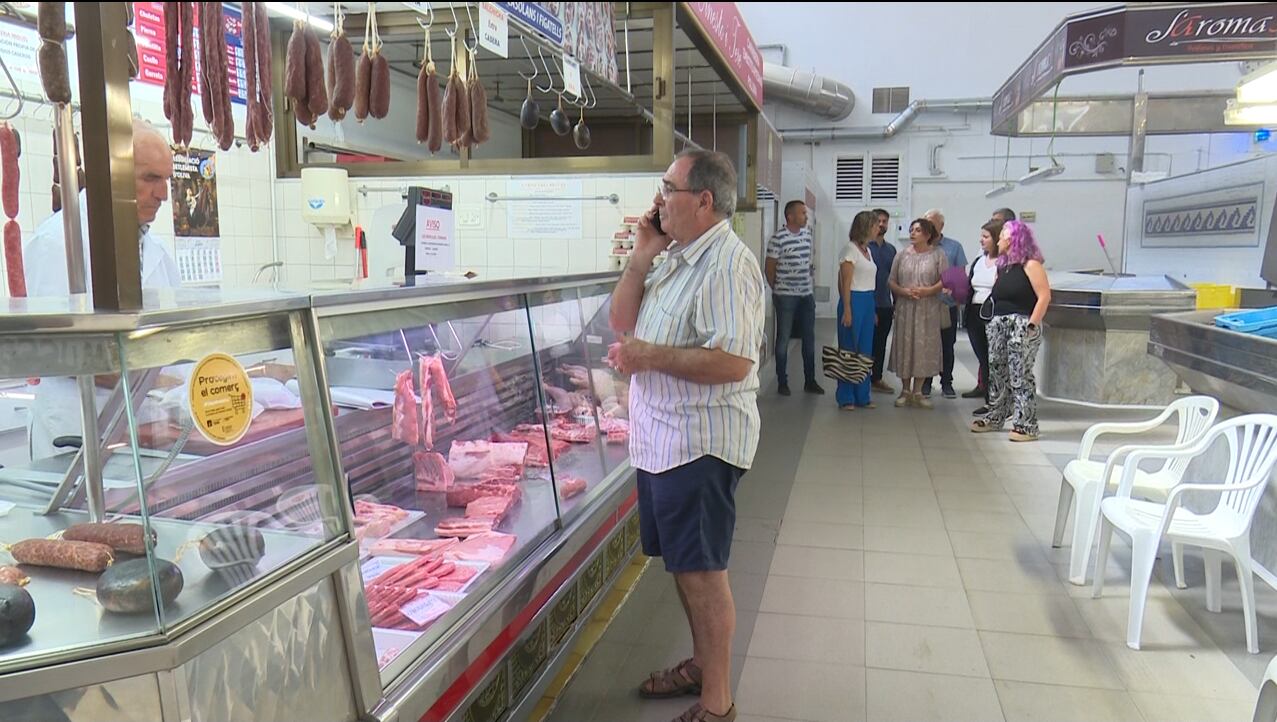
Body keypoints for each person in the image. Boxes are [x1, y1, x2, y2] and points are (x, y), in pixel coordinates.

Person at [607, 149, 763, 722]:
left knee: (702, 574)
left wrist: (650, 356)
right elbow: (622, 324)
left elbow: (733, 362)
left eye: (668, 187)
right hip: (662, 441)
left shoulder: (727, 264)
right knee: (683, 565)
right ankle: (701, 662)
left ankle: (716, 701)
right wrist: (641, 256)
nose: (658, 199)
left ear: (703, 199)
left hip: (701, 442)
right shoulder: (674, 256)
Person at [23, 118, 181, 460]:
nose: (163, 194)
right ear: (112, 175)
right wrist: (156, 379)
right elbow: (51, 351)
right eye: (151, 178)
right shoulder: (57, 242)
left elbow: (172, 338)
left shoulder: (157, 253)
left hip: (140, 429)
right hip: (75, 431)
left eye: (166, 179)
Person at [971, 220, 1052, 442]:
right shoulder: (1003, 265)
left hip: (1022, 323)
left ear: (1014, 238)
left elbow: (1044, 296)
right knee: (997, 371)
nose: (998, 239)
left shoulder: (1031, 264)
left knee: (1020, 374)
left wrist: (1032, 325)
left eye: (1002, 235)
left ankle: (1026, 424)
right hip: (999, 322)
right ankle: (996, 416)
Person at [887, 219, 948, 409]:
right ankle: (905, 390)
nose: (913, 233)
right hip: (906, 307)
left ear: (928, 235)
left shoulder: (938, 255)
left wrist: (928, 291)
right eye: (911, 230)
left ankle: (918, 391)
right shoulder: (901, 255)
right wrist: (903, 291)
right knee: (905, 345)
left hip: (928, 308)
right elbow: (891, 280)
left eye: (918, 230)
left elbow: (945, 280)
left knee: (924, 347)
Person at [765, 200, 823, 396]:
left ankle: (810, 380)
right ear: (790, 216)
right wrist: (779, 289)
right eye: (803, 213)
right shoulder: (778, 239)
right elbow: (770, 268)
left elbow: (808, 262)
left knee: (809, 338)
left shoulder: (807, 235)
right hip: (785, 297)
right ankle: (782, 382)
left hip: (806, 295)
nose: (806, 216)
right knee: (783, 338)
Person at [921, 209, 967, 399]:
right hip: (924, 305)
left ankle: (946, 382)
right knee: (925, 346)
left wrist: (956, 294)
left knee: (947, 346)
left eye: (932, 222)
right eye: (926, 222)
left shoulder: (953, 247)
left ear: (941, 225)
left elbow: (959, 275)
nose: (929, 226)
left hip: (945, 305)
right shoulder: (920, 246)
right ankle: (925, 382)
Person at [836, 211, 878, 410]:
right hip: (853, 299)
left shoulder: (867, 251)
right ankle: (846, 396)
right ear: (865, 226)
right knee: (848, 350)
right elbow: (844, 282)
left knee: (864, 351)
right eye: (875, 224)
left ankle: (863, 394)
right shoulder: (849, 250)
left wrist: (873, 310)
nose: (878, 228)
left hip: (868, 300)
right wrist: (847, 309)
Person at [963, 220, 1002, 408]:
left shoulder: (1005, 262)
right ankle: (989, 401)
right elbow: (970, 286)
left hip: (993, 313)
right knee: (983, 358)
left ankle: (996, 401)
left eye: (985, 237)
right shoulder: (979, 261)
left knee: (994, 358)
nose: (981, 240)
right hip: (975, 313)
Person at [868, 208, 897, 393]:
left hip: (885, 304)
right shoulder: (863, 247)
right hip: (867, 303)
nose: (881, 224)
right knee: (865, 344)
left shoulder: (891, 250)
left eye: (885, 221)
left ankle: (876, 378)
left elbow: (894, 278)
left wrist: (896, 303)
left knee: (880, 345)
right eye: (878, 220)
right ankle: (861, 378)